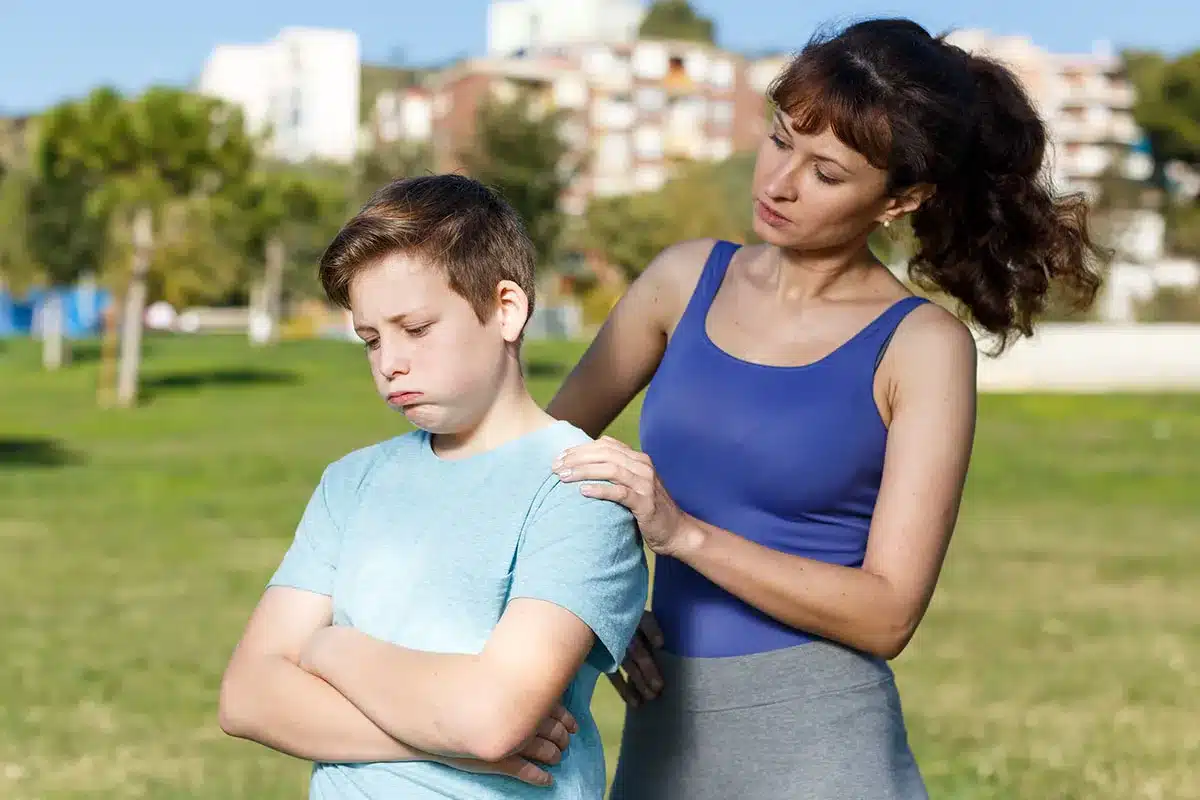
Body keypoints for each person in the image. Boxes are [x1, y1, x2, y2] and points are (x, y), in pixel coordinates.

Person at [546, 17, 1104, 800]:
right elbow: (537, 460)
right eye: (779, 141)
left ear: (900, 199)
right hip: (662, 745)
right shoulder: (681, 281)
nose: (779, 183)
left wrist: (683, 534)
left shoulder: (920, 347)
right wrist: (594, 606)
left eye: (828, 174)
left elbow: (887, 616)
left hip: (824, 748)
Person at [218, 174, 649, 799]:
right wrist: (450, 742)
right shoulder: (353, 482)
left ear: (507, 309)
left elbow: (489, 720)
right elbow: (248, 697)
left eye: (415, 329)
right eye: (371, 339)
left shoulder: (578, 486)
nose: (389, 362)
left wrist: (330, 648)